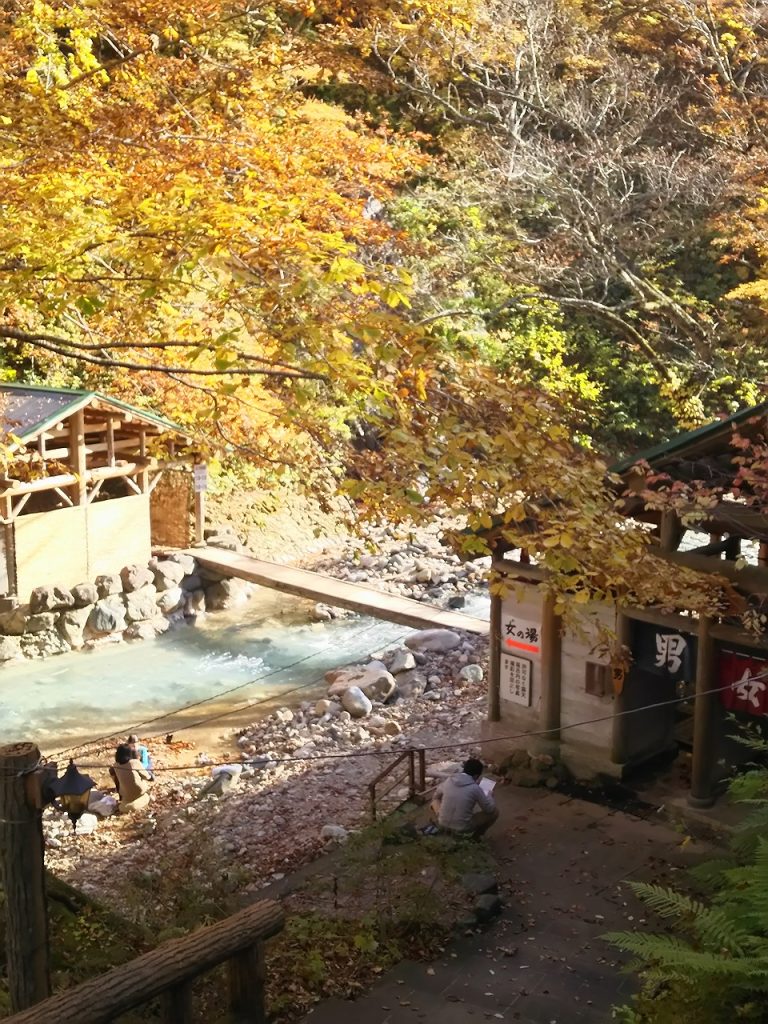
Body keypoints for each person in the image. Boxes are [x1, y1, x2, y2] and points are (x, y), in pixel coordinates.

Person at [431, 757, 498, 838]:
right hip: (462, 827)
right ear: (476, 776)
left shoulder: (449, 780)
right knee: (495, 812)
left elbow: (436, 796)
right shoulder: (475, 788)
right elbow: (489, 809)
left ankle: (442, 819)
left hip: (442, 823)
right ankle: (476, 836)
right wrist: (489, 794)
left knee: (435, 801)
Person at [110, 742, 152, 813]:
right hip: (139, 791)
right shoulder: (134, 763)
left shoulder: (115, 766)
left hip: (125, 795)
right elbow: (147, 777)